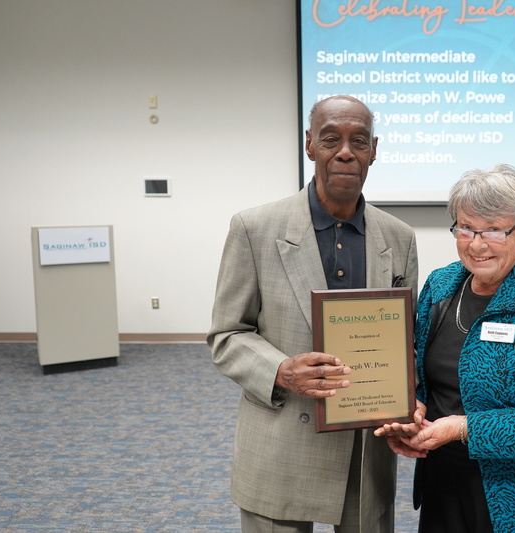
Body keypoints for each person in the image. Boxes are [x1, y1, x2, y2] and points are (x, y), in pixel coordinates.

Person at [207, 95, 419, 533]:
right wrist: (281, 370)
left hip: (365, 447)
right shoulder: (255, 228)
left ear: (373, 150)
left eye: (358, 141)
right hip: (282, 442)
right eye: (330, 139)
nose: (345, 151)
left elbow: (405, 341)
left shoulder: (399, 238)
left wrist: (407, 398)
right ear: (309, 146)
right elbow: (228, 335)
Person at [376, 164, 515, 532]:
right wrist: (411, 409)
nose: (477, 244)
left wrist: (463, 428)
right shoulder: (442, 284)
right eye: (465, 227)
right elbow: (422, 372)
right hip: (443, 477)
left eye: (495, 229)